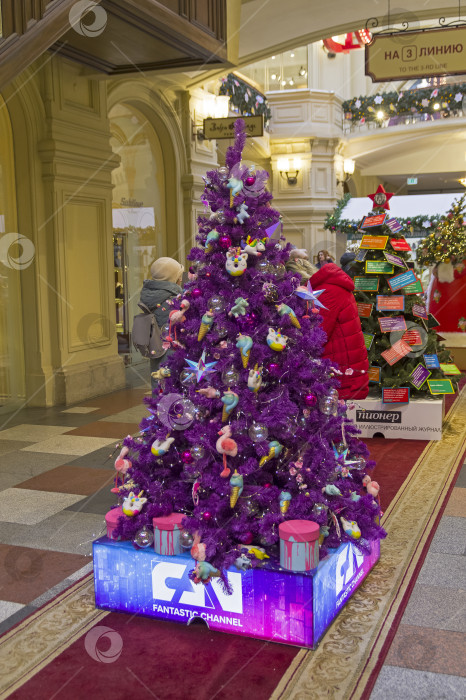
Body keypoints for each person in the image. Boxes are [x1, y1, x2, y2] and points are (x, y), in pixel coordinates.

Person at [310, 262, 369, 399]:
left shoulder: (326, 292)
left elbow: (317, 336)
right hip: (347, 373)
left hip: (342, 378)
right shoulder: (334, 287)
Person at [139, 256, 184, 390]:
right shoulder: (174, 298)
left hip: (156, 345)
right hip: (173, 346)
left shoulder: (151, 294)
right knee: (172, 381)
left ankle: (157, 408)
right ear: (172, 278)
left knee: (158, 379)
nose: (181, 279)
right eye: (178, 276)